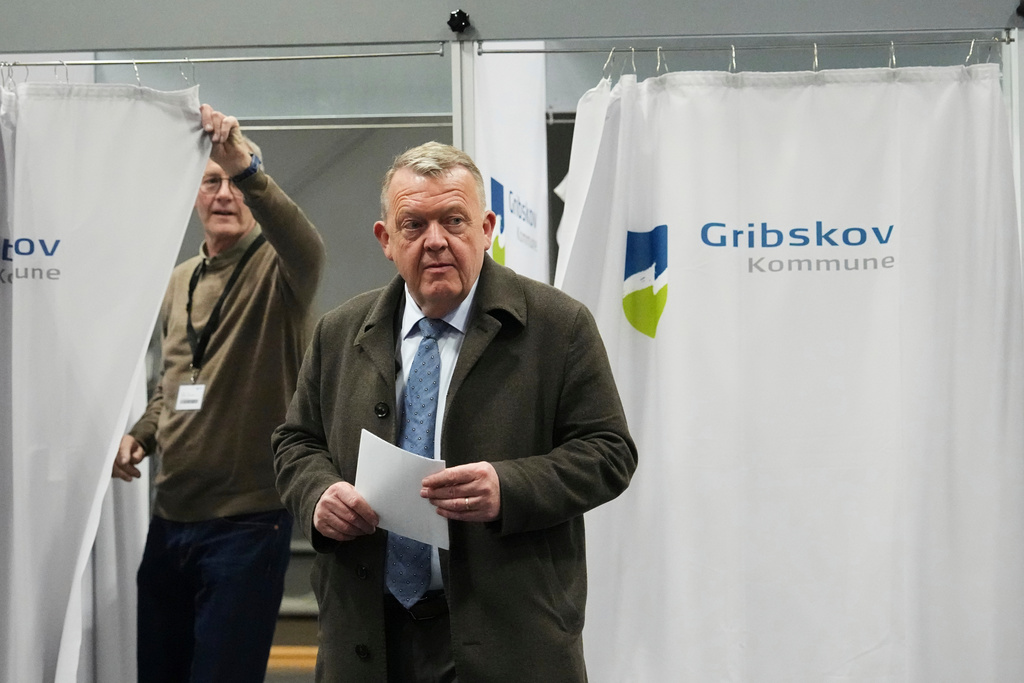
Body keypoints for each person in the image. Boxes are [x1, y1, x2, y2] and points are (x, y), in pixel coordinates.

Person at [272, 141, 637, 682]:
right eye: (414, 225)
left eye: (455, 221)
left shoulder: (558, 327)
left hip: (509, 638)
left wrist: (508, 487)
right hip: (369, 639)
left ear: (487, 228)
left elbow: (610, 454)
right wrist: (318, 493)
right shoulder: (339, 333)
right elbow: (295, 442)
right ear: (386, 240)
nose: (436, 241)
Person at [111, 104, 326, 682]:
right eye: (212, 181)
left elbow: (307, 243)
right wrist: (141, 434)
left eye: (235, 183)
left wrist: (245, 166)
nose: (225, 194)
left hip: (247, 522)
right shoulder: (178, 278)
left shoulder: (281, 268)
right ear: (194, 194)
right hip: (171, 515)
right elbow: (174, 383)